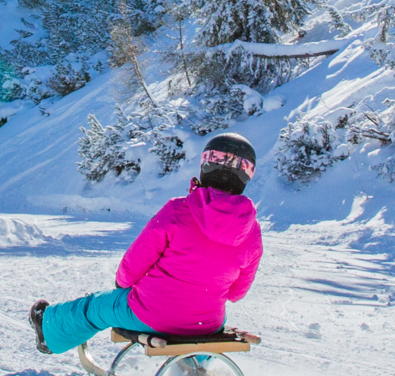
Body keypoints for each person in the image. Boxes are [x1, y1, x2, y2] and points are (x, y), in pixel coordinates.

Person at [29, 132, 263, 355]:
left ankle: (49, 332)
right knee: (205, 320)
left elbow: (132, 267)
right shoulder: (251, 230)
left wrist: (122, 287)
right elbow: (236, 293)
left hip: (153, 314)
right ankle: (197, 365)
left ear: (206, 165)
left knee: (95, 306)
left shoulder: (178, 210)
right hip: (206, 323)